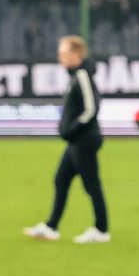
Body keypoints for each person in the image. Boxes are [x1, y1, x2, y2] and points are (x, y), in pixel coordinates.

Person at [24, 36, 109, 244]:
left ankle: (101, 230)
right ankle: (51, 227)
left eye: (63, 53)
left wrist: (72, 128)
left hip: (84, 140)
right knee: (61, 179)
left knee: (91, 185)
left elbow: (92, 108)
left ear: (76, 55)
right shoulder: (75, 76)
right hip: (76, 142)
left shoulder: (82, 75)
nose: (59, 57)